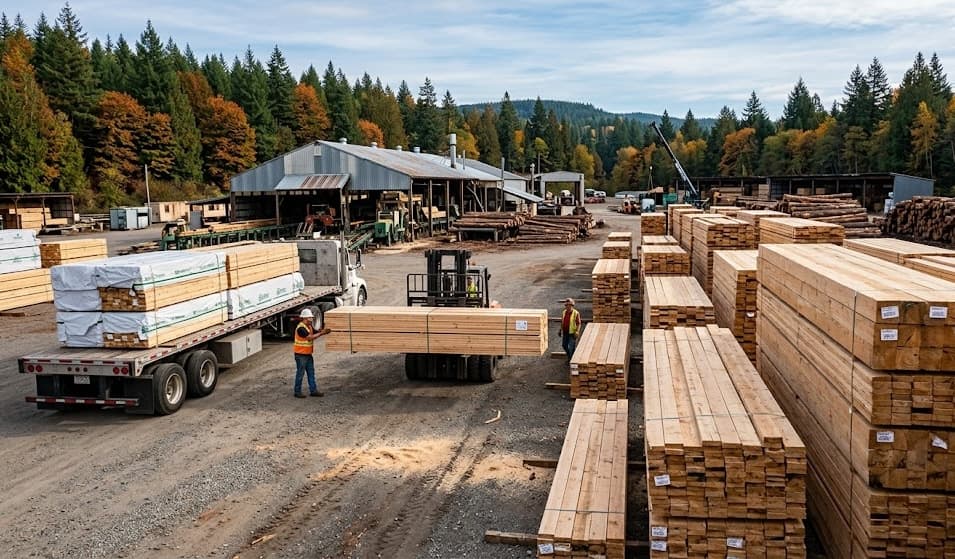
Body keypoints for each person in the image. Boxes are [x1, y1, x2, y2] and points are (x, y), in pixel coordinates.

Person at [293, 308, 331, 398]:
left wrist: (322, 331)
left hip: (308, 354)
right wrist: (322, 334)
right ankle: (297, 391)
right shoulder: (301, 328)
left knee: (311, 372)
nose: (312, 319)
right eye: (310, 318)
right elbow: (310, 337)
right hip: (300, 355)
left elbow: (315, 332)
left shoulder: (309, 326)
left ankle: (313, 390)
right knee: (300, 374)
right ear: (305, 318)